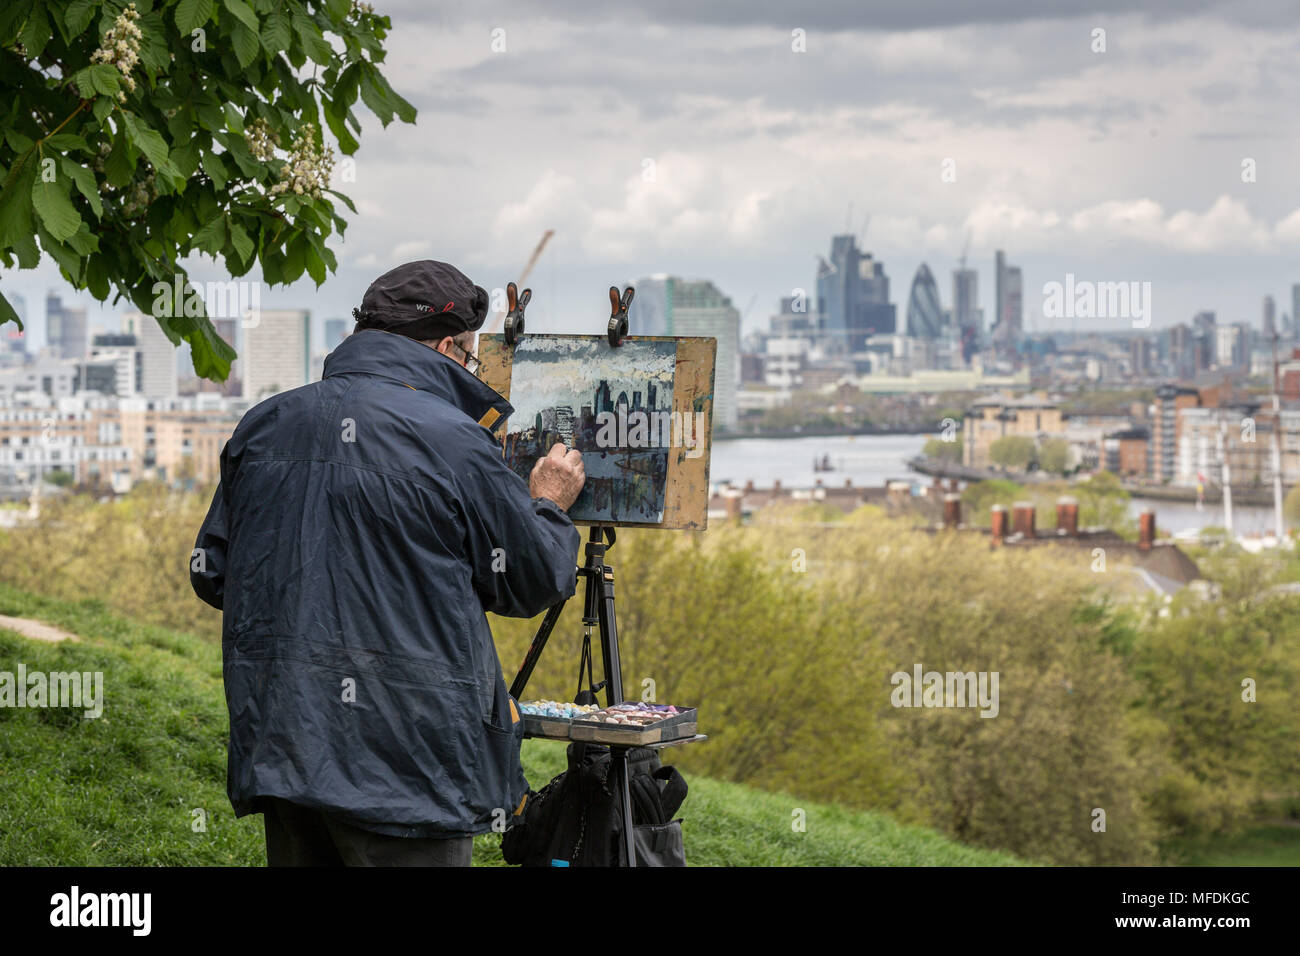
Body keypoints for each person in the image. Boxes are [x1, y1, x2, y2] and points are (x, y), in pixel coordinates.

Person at [190, 260, 585, 866]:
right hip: (411, 769)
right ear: (450, 346)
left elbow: (212, 573)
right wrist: (549, 506)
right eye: (472, 359)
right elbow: (530, 580)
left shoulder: (264, 425)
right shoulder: (453, 440)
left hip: (285, 748)